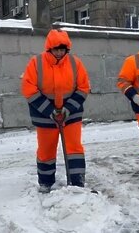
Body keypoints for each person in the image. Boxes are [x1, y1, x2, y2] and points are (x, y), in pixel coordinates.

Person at [21, 29, 90, 193]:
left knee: (74, 149)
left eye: (62, 49)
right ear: (49, 48)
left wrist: (68, 108)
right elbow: (28, 88)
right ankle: (45, 182)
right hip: (45, 116)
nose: (59, 53)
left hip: (70, 115)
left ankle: (77, 182)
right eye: (56, 49)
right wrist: (50, 110)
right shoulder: (36, 63)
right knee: (46, 150)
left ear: (67, 49)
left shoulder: (75, 63)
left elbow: (83, 87)